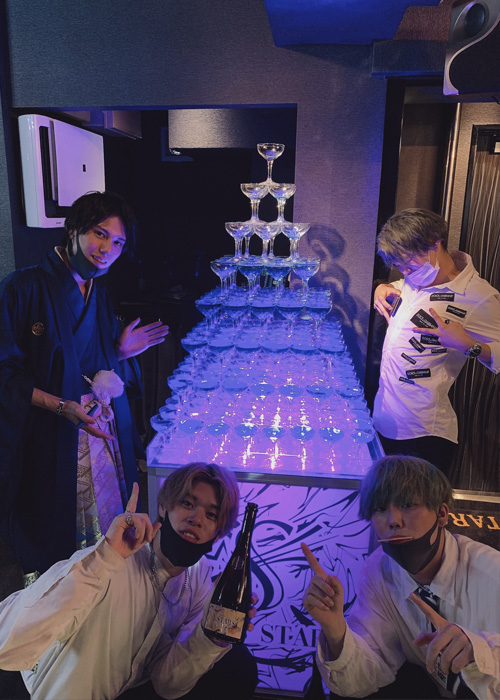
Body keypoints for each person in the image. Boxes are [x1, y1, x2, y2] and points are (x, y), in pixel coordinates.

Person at [0, 191, 170, 582]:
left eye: (118, 242)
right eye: (100, 234)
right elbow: (4, 371)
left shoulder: (100, 294)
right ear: (73, 229)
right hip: (50, 435)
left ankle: (103, 593)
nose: (107, 249)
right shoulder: (23, 288)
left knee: (105, 534)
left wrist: (120, 352)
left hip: (98, 433)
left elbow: (91, 365)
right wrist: (61, 406)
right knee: (56, 544)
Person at [0, 462, 258, 700]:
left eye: (211, 515)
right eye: (187, 503)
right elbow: (5, 643)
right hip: (64, 690)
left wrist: (211, 638)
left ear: (218, 533)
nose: (196, 518)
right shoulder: (113, 561)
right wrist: (102, 560)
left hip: (129, 686)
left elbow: (167, 684)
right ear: (164, 506)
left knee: (238, 665)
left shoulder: (198, 577)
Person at [302, 455, 500, 699]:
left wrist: (478, 653)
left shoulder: (491, 573)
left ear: (442, 514)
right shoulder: (379, 570)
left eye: (407, 505)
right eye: (380, 508)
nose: (393, 521)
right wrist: (335, 630)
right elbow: (366, 675)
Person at [371, 208, 500, 474]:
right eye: (399, 266)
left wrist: (468, 345)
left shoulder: (478, 297)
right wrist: (384, 287)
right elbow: (404, 287)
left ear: (433, 241)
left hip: (423, 434)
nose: (405, 271)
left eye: (408, 263)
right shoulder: (413, 279)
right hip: (383, 418)